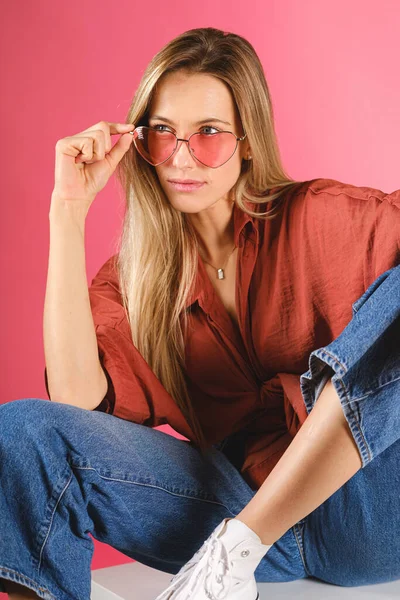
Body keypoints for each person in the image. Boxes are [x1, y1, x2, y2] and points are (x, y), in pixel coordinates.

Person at [1, 26, 399, 600]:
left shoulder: (319, 219)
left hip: (369, 509)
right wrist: (67, 211)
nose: (181, 158)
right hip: (234, 511)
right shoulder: (137, 279)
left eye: (208, 133)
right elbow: (73, 403)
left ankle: (237, 551)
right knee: (21, 432)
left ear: (248, 141)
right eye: (163, 133)